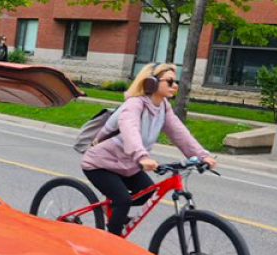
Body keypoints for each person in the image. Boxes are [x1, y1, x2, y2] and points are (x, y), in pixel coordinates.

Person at [81, 63, 217, 236]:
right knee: (123, 200)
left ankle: (114, 212)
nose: (175, 85)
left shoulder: (163, 107)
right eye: (169, 81)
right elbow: (130, 130)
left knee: (147, 194)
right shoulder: (134, 105)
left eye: (176, 82)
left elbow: (179, 133)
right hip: (100, 164)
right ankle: (111, 242)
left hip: (128, 166)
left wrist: (202, 155)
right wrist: (142, 156)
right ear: (151, 83)